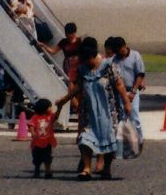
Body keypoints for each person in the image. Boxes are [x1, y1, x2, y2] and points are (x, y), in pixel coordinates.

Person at [55, 37, 132, 181]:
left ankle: (106, 168)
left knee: (110, 139)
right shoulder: (82, 69)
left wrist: (127, 102)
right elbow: (79, 86)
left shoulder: (108, 66)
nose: (84, 64)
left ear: (92, 56)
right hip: (89, 111)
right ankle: (86, 169)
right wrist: (65, 99)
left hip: (109, 111)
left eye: (86, 60)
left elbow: (119, 84)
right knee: (84, 138)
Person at [105, 35, 146, 132]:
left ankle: (139, 141)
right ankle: (124, 143)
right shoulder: (113, 60)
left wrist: (133, 91)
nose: (119, 53)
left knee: (134, 117)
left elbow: (140, 74)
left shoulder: (135, 56)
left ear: (125, 46)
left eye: (120, 50)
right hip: (119, 93)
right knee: (122, 118)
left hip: (132, 91)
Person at [27, 98, 57, 179]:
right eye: (49, 107)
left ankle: (48, 170)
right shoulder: (35, 117)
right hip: (37, 141)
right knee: (36, 157)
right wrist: (33, 132)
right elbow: (31, 125)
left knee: (47, 157)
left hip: (47, 141)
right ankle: (37, 169)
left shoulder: (50, 116)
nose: (51, 108)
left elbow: (57, 115)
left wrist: (60, 106)